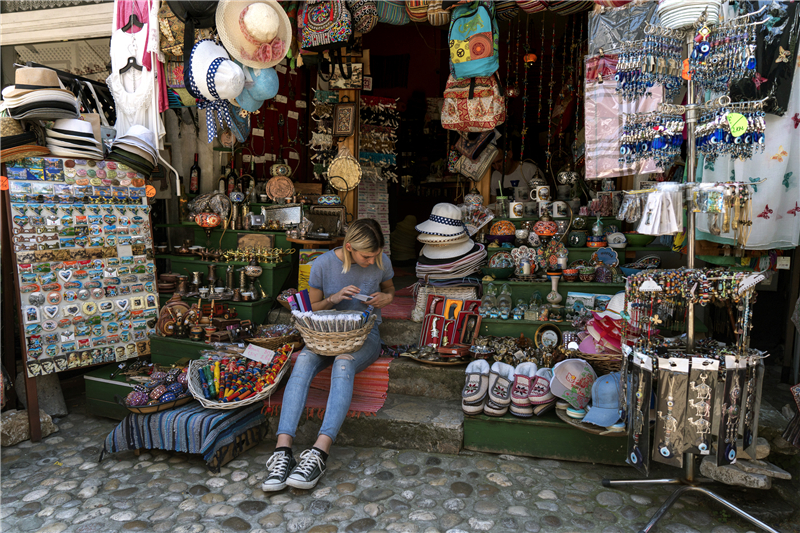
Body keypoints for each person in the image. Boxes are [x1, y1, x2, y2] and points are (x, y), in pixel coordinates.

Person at [262, 219, 395, 491]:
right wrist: (334, 299)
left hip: (364, 335)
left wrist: (386, 298)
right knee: (304, 362)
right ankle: (282, 451)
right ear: (349, 247)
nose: (371, 261)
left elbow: (390, 289)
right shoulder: (322, 264)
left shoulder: (381, 261)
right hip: (325, 335)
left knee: (343, 365)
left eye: (375, 254)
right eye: (365, 256)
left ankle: (319, 452)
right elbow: (312, 308)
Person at [489, 140, 545, 204]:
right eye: (493, 164)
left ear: (509, 154)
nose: (497, 167)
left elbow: (544, 196)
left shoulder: (530, 170)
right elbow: (493, 203)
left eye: (499, 161)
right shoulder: (495, 175)